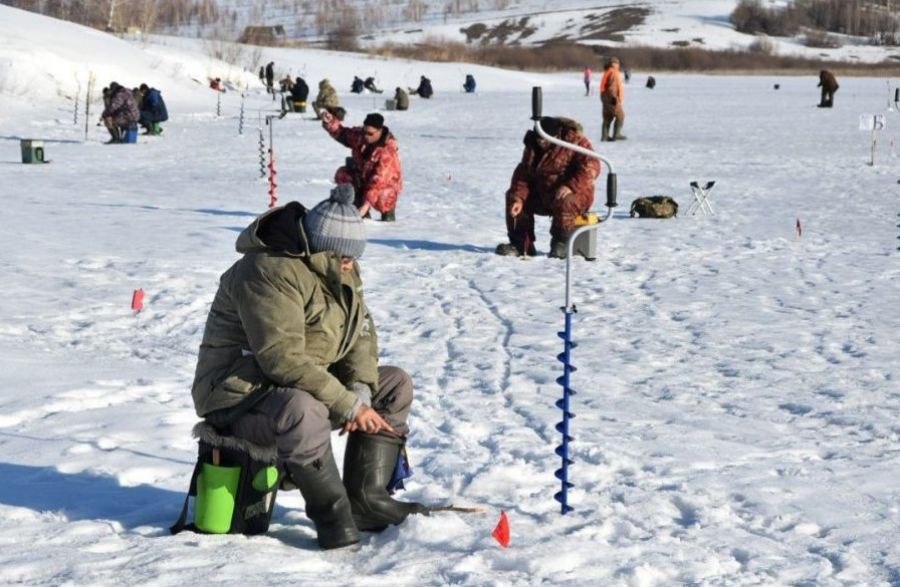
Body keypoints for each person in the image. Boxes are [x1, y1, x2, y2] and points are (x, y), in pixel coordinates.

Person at [190, 185, 425, 550]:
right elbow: (280, 358)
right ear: (323, 246)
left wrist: (361, 389)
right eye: (345, 258)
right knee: (304, 410)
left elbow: (361, 331)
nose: (351, 265)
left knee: (394, 384)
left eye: (352, 258)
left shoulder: (339, 266)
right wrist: (347, 405)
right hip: (238, 396)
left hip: (299, 385)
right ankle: (334, 517)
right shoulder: (266, 270)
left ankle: (368, 500)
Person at [495, 117, 600, 259]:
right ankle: (522, 244)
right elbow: (523, 174)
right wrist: (519, 198)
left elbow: (592, 166)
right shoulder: (532, 146)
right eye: (539, 139)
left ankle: (561, 243)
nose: (541, 142)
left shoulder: (575, 141)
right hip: (544, 194)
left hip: (575, 193)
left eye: (544, 139)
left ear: (556, 136)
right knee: (513, 197)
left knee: (566, 199)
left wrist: (570, 186)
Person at [321, 111, 403, 222]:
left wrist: (366, 205)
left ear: (380, 131)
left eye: (370, 134)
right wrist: (330, 122)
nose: (366, 136)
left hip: (384, 184)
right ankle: (358, 209)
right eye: (364, 132)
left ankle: (387, 214)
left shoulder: (388, 150)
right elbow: (343, 134)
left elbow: (378, 181)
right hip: (363, 177)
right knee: (343, 174)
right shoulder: (360, 136)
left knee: (384, 195)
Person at [600, 57, 626, 141]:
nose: (618, 65)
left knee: (607, 116)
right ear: (613, 64)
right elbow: (612, 87)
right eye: (617, 63)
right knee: (620, 115)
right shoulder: (614, 72)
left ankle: (604, 136)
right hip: (611, 97)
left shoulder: (607, 71)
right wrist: (614, 97)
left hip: (604, 96)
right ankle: (617, 134)